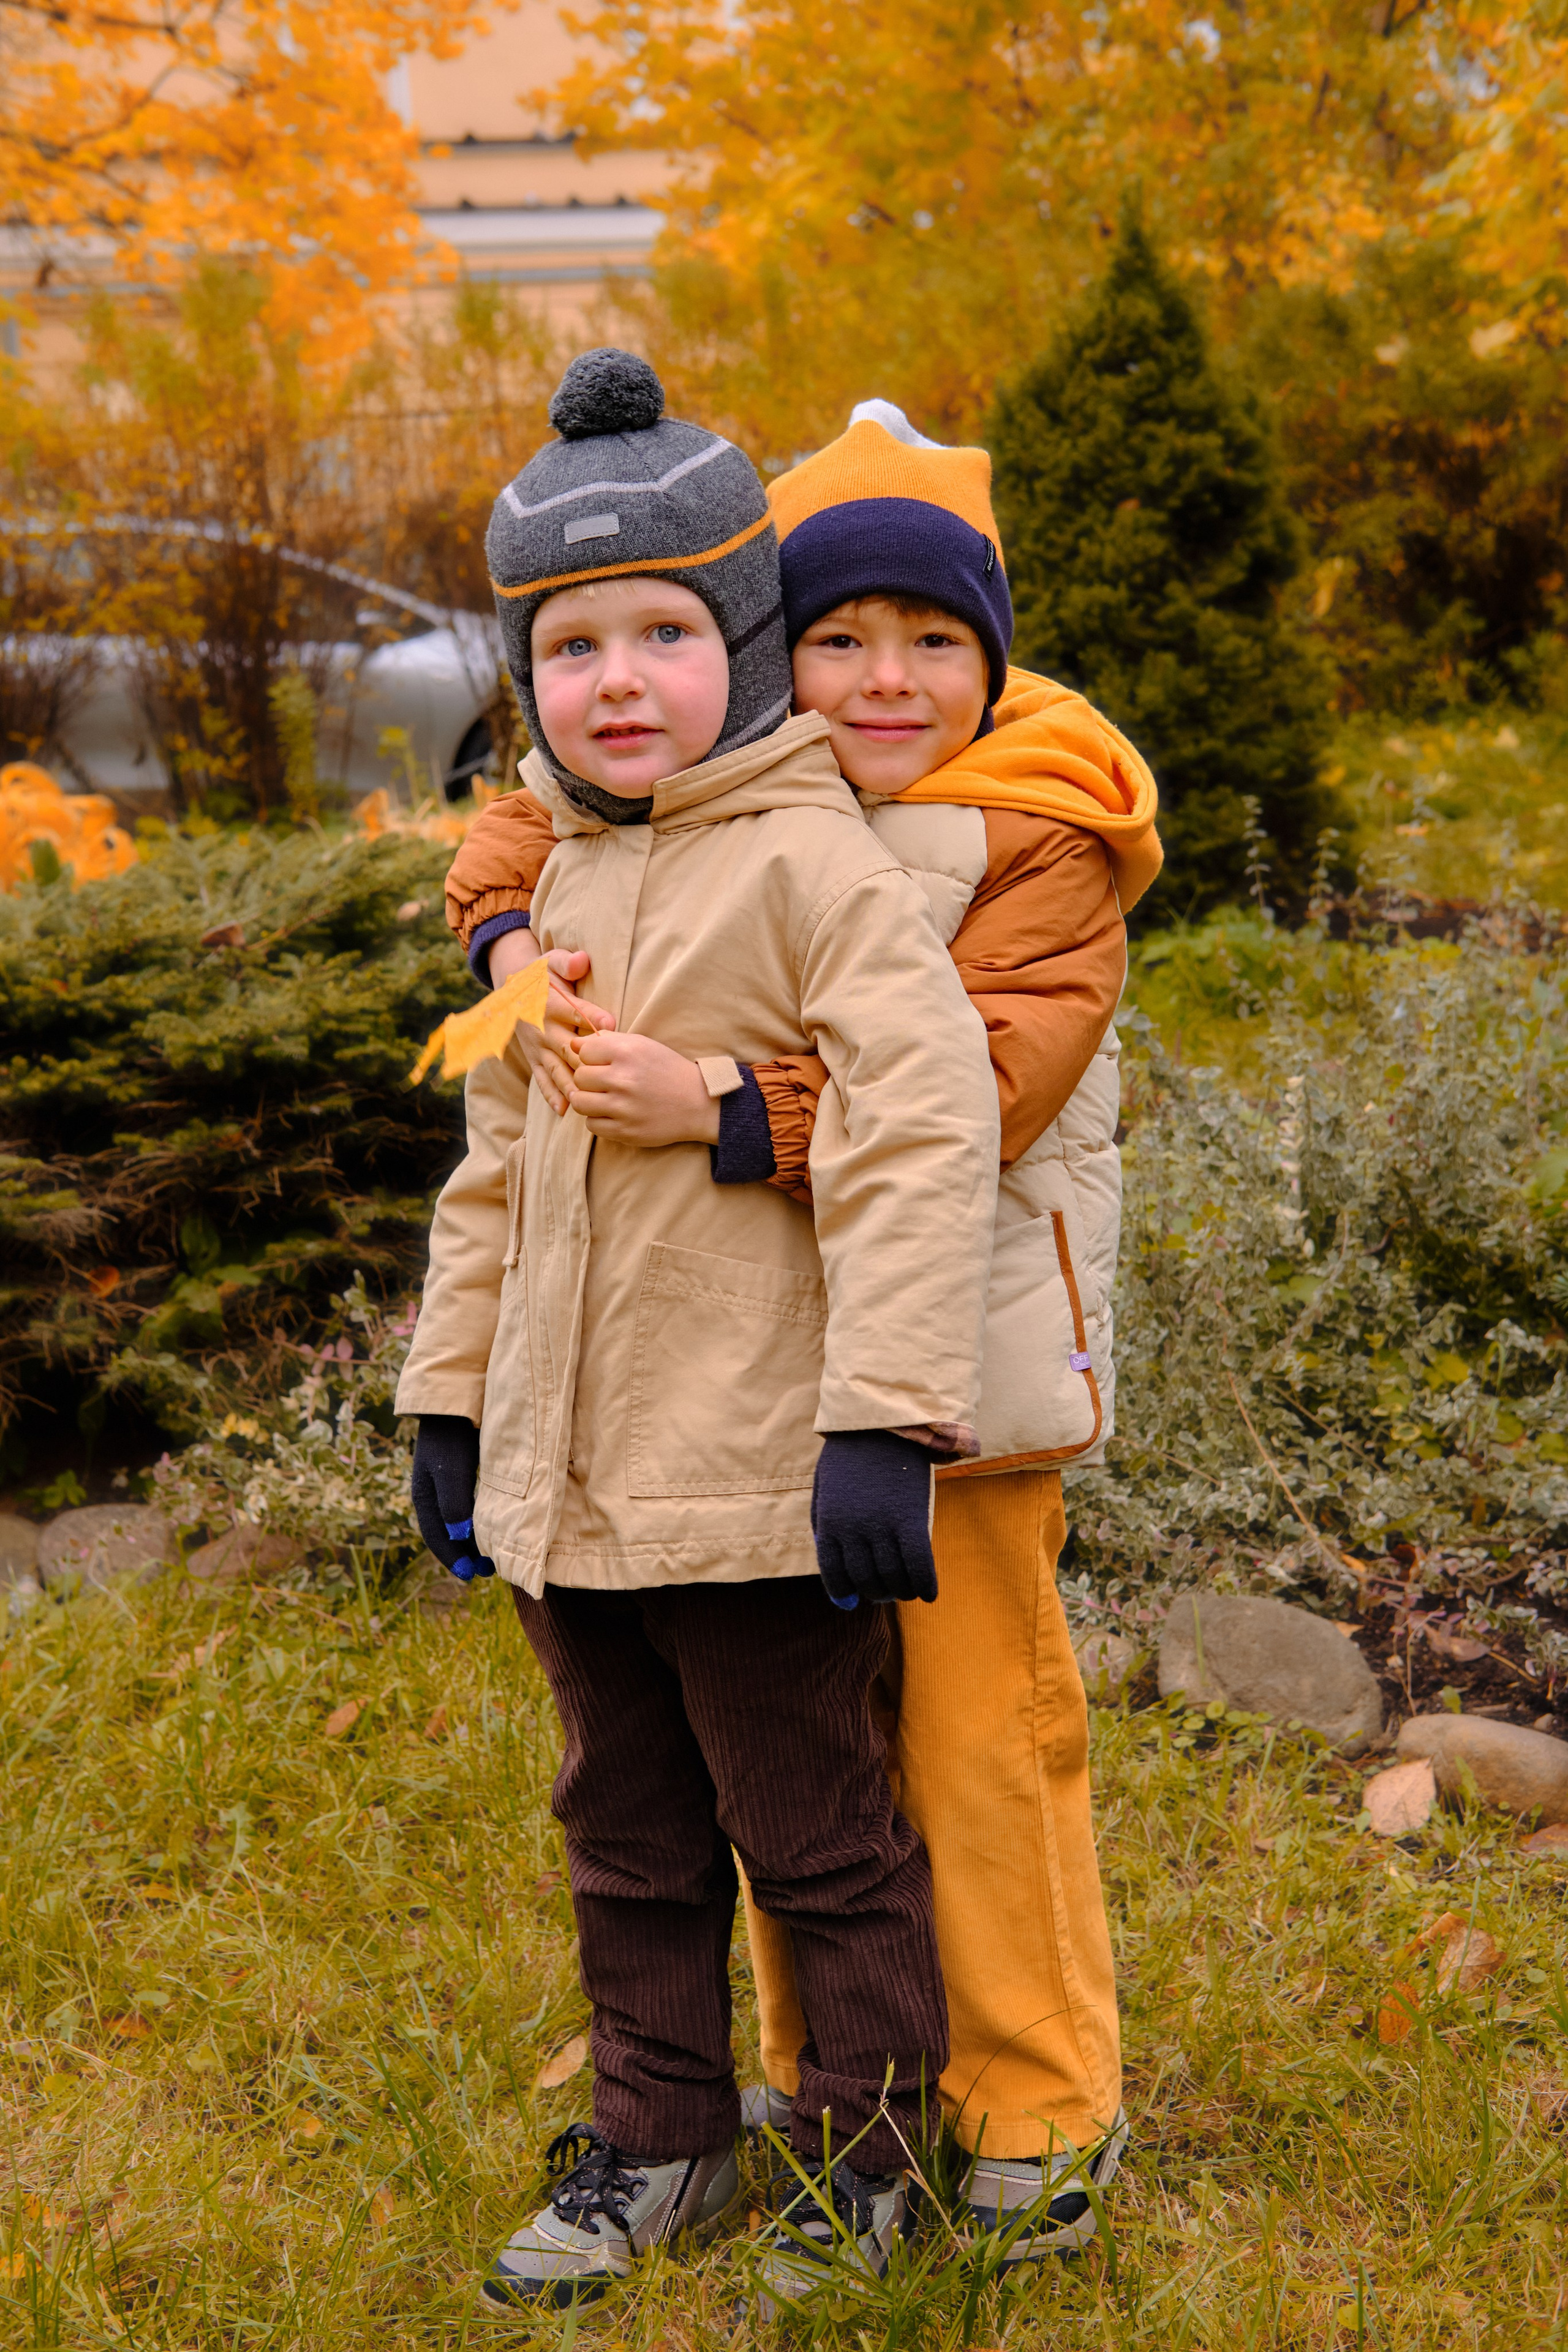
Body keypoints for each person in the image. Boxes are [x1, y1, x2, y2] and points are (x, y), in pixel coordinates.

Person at [444, 393, 1165, 2264]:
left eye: (932, 642)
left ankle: (1030, 2103)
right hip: (760, 1377)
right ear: (775, 646)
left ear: (993, 657)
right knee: (791, 1758)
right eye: (837, 637)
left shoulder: (1036, 827)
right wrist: (507, 944)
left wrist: (727, 1110)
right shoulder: (731, 787)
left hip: (966, 1375)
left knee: (972, 1750)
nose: (881, 677)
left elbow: (978, 1086)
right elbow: (521, 835)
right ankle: (809, 2077)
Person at [394, 350, 1001, 2314]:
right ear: (528, 674)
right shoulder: (552, 881)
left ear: (744, 639)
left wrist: (884, 1427)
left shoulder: (818, 864)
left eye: (667, 631)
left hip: (756, 1473)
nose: (623, 681)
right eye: (575, 649)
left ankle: (874, 2154)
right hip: (574, 1478)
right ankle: (662, 2138)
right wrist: (452, 1406)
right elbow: (496, 1168)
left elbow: (920, 1134)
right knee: (625, 1825)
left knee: (815, 1834)